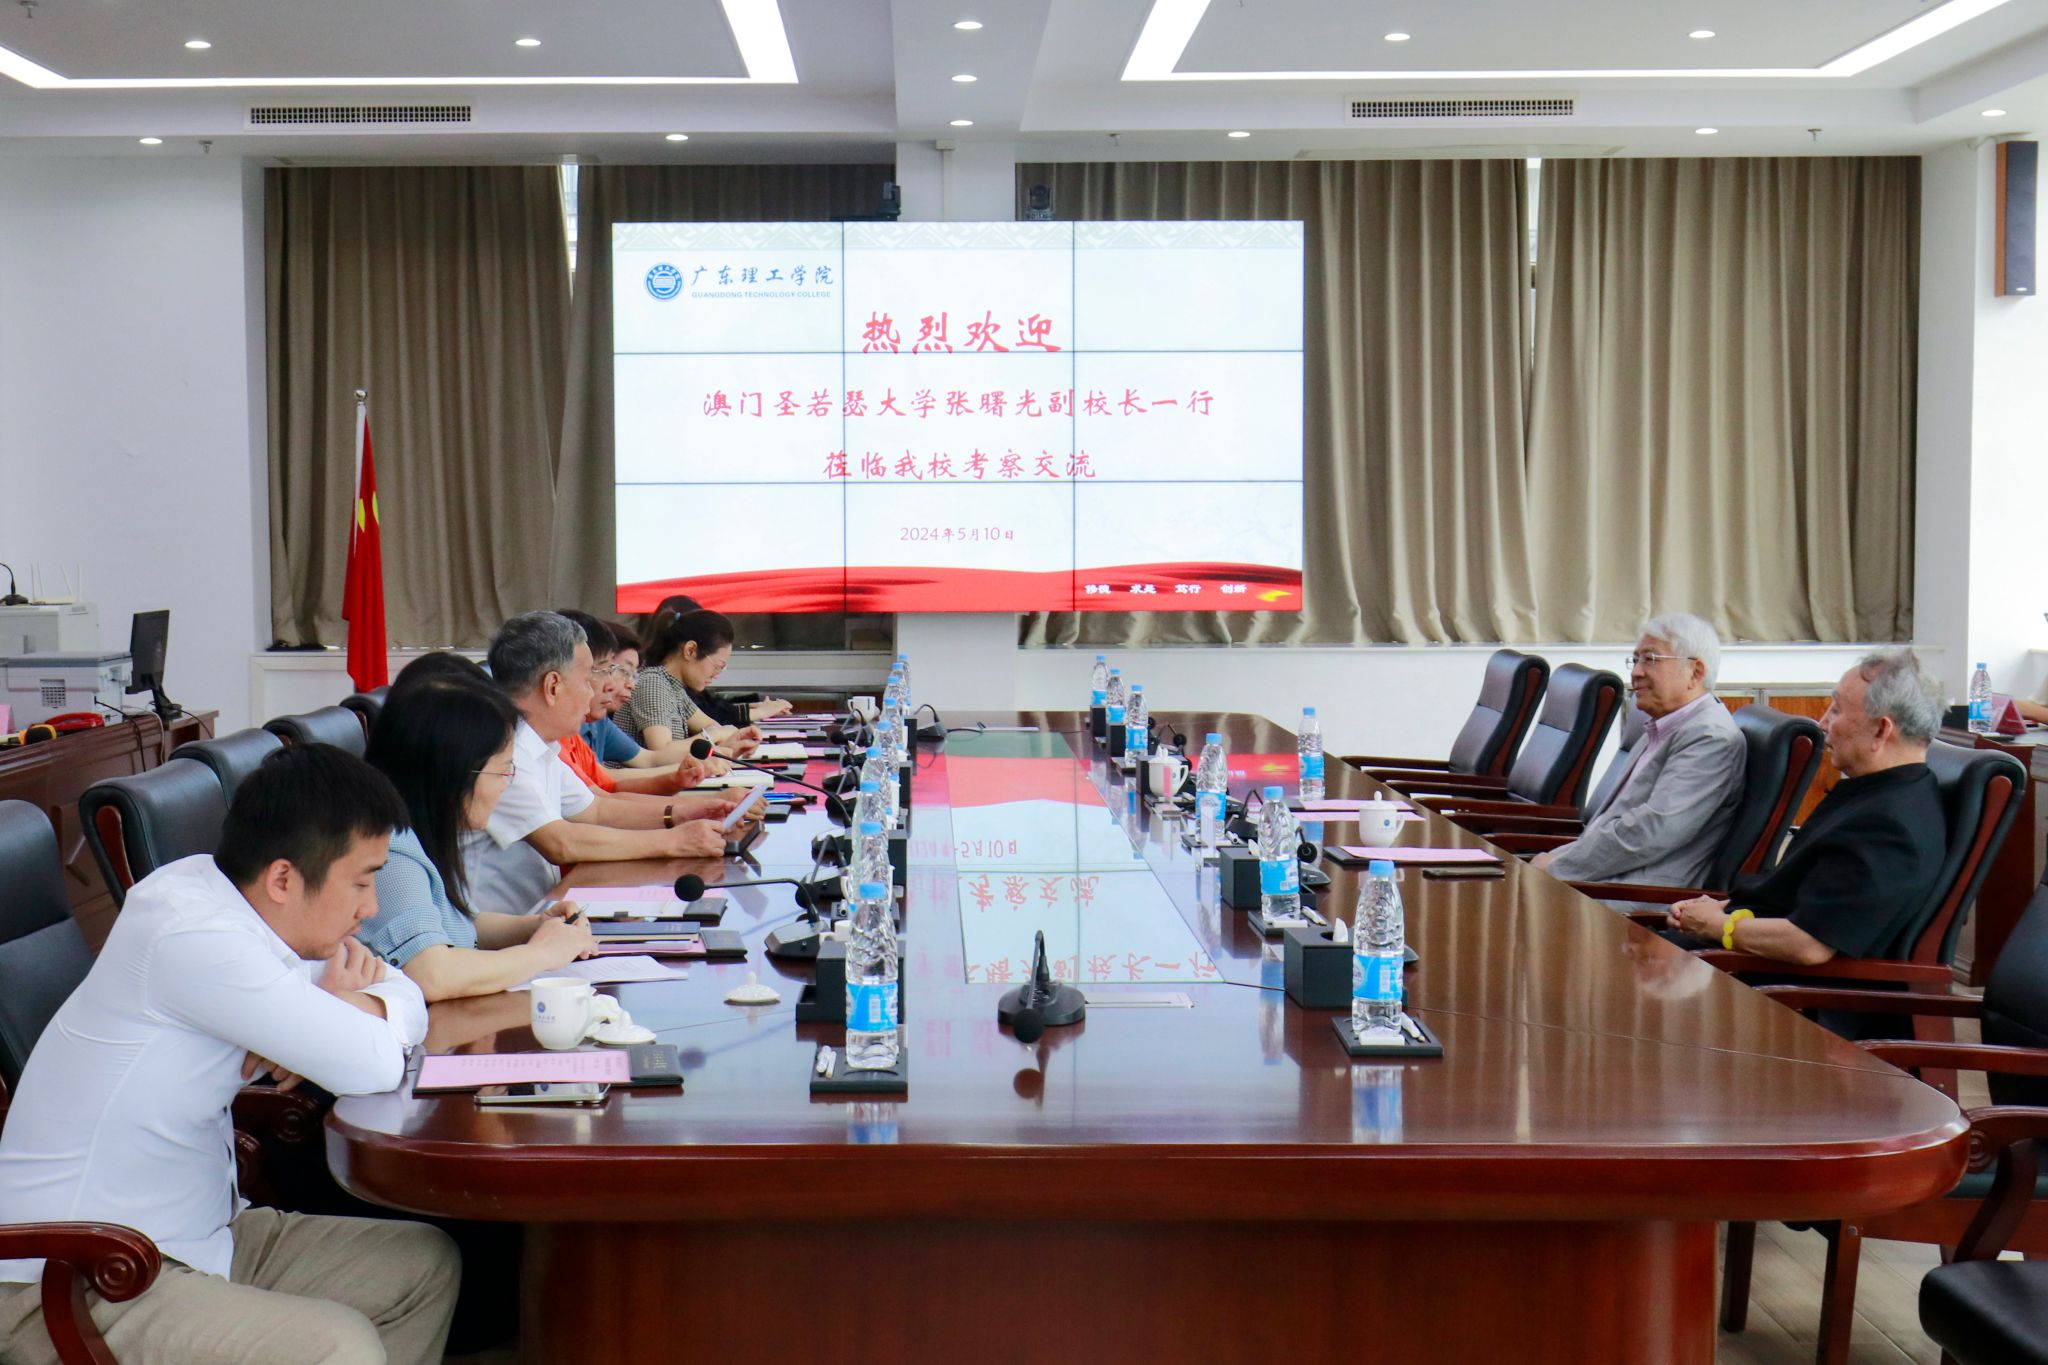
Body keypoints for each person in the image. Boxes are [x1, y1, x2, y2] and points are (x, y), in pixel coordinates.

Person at [0, 746, 459, 1365]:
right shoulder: (195, 935)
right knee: (337, 1346)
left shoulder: (243, 905)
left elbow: (405, 992)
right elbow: (372, 1066)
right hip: (77, 1273)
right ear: (283, 879)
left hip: (197, 1240)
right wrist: (339, 1017)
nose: (371, 906)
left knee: (421, 1266)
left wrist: (351, 1007)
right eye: (361, 881)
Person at [1664, 649, 1948, 965]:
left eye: (1836, 710)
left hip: (1765, 984)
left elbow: (1809, 944)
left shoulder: (1888, 827)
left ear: (1881, 730)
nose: (1823, 723)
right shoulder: (1877, 792)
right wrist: (1719, 908)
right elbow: (1794, 894)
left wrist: (1718, 926)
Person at [461, 611, 740, 917]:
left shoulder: (542, 743)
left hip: (544, 916)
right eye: (586, 680)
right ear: (553, 686)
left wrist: (687, 813)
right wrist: (674, 840)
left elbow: (596, 809)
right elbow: (561, 842)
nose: (593, 691)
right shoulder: (504, 749)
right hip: (501, 932)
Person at [360, 674, 602, 1000]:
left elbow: (460, 924)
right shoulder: (389, 850)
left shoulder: (427, 832)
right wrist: (541, 954)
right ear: (452, 773)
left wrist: (536, 927)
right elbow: (432, 973)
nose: (506, 784)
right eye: (503, 771)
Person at [1535, 613, 1746, 889]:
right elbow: (1607, 827)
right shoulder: (1662, 724)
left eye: (1650, 659)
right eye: (1635, 660)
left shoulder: (1710, 738)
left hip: (1639, 892)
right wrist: (1552, 860)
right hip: (1603, 877)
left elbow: (1653, 831)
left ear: (1695, 672)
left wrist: (1557, 867)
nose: (1636, 672)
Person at [551, 611, 712, 798]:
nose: (612, 684)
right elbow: (603, 796)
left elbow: (600, 800)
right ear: (553, 683)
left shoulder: (582, 728)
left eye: (611, 671)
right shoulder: (653, 682)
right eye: (606, 670)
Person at [619, 607, 767, 754]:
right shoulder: (652, 684)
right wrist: (715, 735)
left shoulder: (673, 687)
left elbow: (711, 725)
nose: (716, 675)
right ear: (690, 650)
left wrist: (739, 739)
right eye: (717, 666)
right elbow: (661, 750)